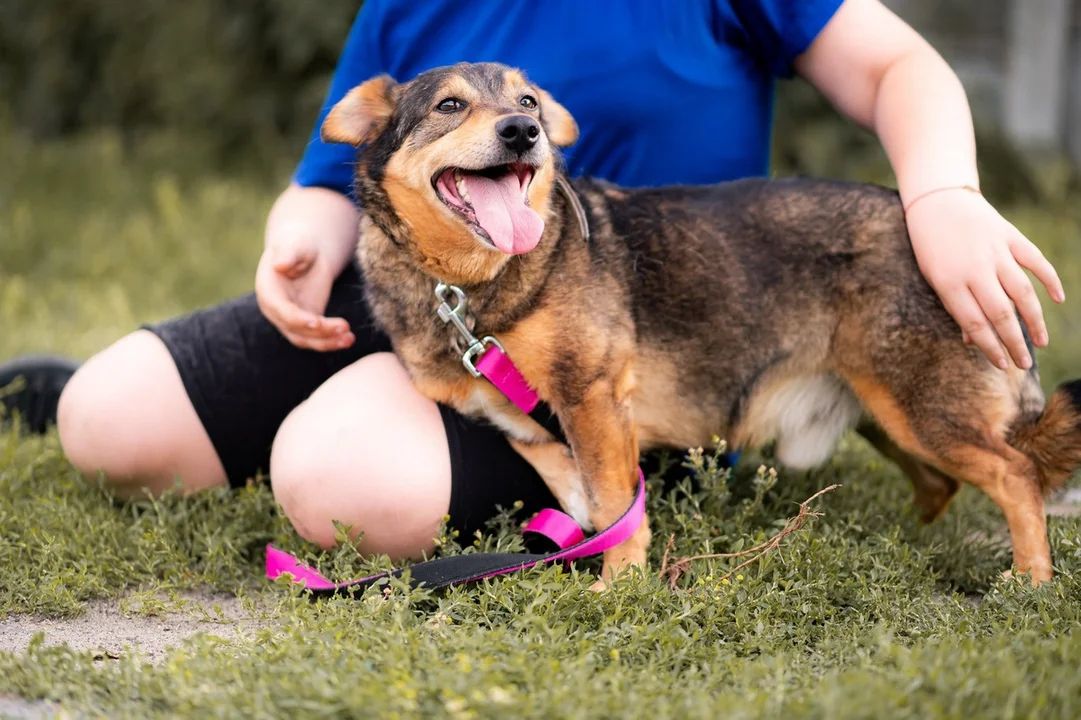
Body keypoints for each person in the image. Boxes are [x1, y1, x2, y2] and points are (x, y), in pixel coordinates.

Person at [1, 0, 1064, 562]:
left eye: (515, 115)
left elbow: (896, 68)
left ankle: (367, 445)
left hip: (631, 337)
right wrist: (298, 233)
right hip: (403, 295)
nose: (506, 122)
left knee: (336, 483)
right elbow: (339, 166)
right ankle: (131, 397)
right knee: (106, 417)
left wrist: (941, 198)